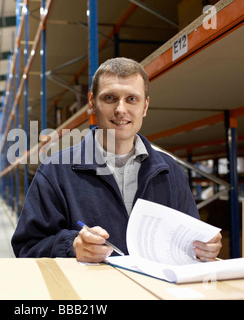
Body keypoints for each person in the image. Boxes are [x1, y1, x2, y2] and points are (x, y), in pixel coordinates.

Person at [11, 57, 222, 263]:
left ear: (145, 106)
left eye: (132, 99)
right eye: (110, 98)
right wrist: (72, 245)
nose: (121, 109)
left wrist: (205, 247)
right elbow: (27, 247)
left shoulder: (170, 172)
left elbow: (192, 239)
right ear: (92, 103)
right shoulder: (55, 171)